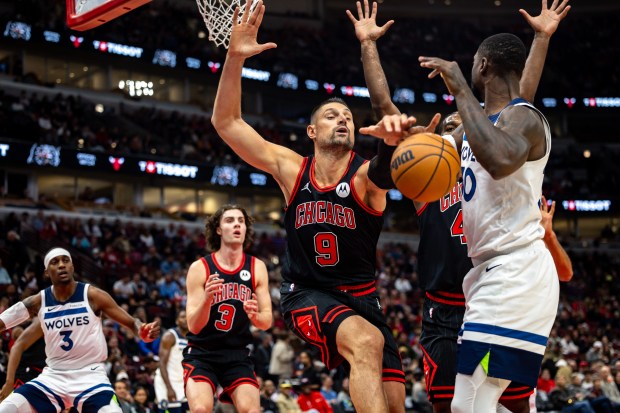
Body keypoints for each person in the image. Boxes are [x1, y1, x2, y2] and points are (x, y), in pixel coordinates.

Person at [210, 3, 434, 412]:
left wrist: (390, 142)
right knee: (366, 341)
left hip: (364, 300)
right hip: (307, 293)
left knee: (395, 400)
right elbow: (227, 123)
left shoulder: (364, 177)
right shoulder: (292, 169)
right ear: (312, 131)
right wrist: (234, 56)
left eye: (347, 116)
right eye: (332, 116)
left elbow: (386, 173)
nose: (342, 120)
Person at [350, 1, 572, 412]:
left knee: (469, 405)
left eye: (473, 63)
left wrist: (459, 86)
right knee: (489, 405)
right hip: (489, 279)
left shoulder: (519, 119)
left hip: (514, 274)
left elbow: (502, 154)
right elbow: (394, 118)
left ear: (483, 66)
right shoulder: (473, 134)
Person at [0, 247, 160, 412]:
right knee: (7, 408)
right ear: (47, 272)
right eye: (55, 262)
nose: (62, 265)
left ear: (72, 267)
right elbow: (4, 322)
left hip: (90, 376)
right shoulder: (39, 301)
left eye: (65, 260)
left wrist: (142, 329)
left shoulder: (92, 295)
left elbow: (132, 322)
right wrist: (9, 380)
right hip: (53, 376)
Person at [183, 205, 272, 413]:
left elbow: (267, 321)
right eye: (230, 221)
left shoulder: (257, 267)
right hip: (202, 353)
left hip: (237, 354)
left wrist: (255, 316)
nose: (237, 225)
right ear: (219, 229)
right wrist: (207, 300)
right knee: (200, 409)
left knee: (252, 410)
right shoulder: (200, 268)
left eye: (241, 221)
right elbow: (193, 326)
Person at [0, 318, 46, 401]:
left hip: (46, 373)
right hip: (26, 371)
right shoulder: (41, 321)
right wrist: (9, 382)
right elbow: (16, 347)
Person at [154, 310, 188, 413]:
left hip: (181, 382)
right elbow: (162, 363)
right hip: (167, 382)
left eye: (187, 316)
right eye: (182, 317)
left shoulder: (193, 337)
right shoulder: (170, 336)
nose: (186, 319)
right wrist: (169, 387)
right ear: (177, 321)